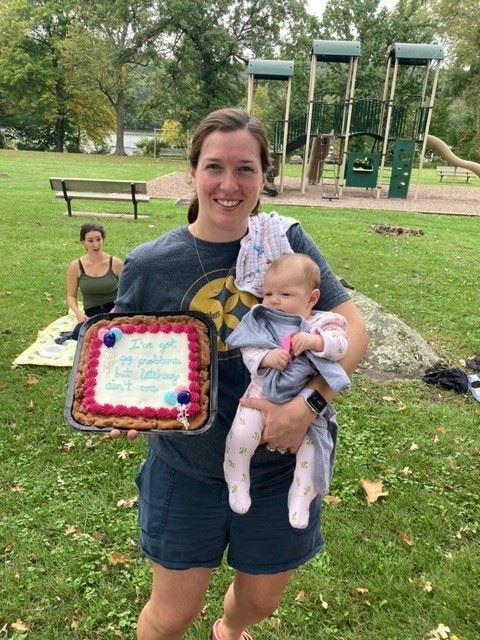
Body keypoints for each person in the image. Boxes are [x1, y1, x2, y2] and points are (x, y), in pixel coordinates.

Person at [111, 108, 368, 640]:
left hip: (277, 467)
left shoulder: (285, 242)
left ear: (263, 176)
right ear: (192, 172)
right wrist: (123, 405)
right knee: (171, 615)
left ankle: (229, 629)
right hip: (187, 467)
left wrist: (308, 407)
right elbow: (121, 356)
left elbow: (353, 332)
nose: (229, 184)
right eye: (214, 167)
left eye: (246, 169)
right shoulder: (150, 263)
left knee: (260, 601)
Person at [224, 253, 350, 529]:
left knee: (313, 451)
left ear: (312, 298)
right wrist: (266, 359)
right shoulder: (262, 320)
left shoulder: (324, 323)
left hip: (304, 403)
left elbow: (342, 346)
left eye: (285, 294)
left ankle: (301, 497)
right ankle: (237, 479)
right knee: (240, 435)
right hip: (260, 395)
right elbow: (249, 349)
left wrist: (317, 342)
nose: (273, 300)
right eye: (267, 293)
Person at [59, 223, 123, 342]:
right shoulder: (76, 266)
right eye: (90, 241)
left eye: (99, 239)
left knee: (118, 336)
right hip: (91, 314)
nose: (96, 244)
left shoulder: (116, 263)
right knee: (85, 337)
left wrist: (116, 309)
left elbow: (127, 291)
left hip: (115, 311)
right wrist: (78, 313)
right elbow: (71, 295)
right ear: (83, 242)